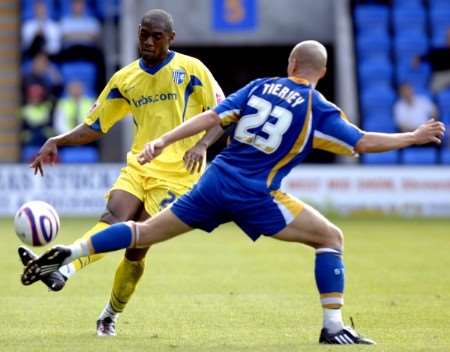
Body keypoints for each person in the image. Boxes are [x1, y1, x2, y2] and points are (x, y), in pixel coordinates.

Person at [21, 40, 446, 344]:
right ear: (322, 72)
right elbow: (362, 142)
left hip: (214, 181)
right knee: (330, 238)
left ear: (291, 62)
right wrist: (413, 135)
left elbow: (211, 117)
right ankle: (333, 327)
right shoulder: (319, 108)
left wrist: (164, 141)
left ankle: (70, 254)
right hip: (257, 195)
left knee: (141, 233)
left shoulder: (260, 85)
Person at [19, 9, 224, 337]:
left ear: (171, 39)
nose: (148, 41)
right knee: (112, 218)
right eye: (144, 33)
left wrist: (202, 146)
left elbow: (222, 113)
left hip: (177, 175)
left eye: (156, 36)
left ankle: (109, 314)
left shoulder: (192, 69)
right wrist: (57, 140)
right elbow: (95, 125)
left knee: (136, 245)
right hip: (140, 165)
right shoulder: (125, 78)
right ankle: (62, 271)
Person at [414, 27, 450, 93]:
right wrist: (417, 60)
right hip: (439, 75)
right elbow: (422, 58)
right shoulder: (437, 50)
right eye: (448, 36)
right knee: (433, 91)